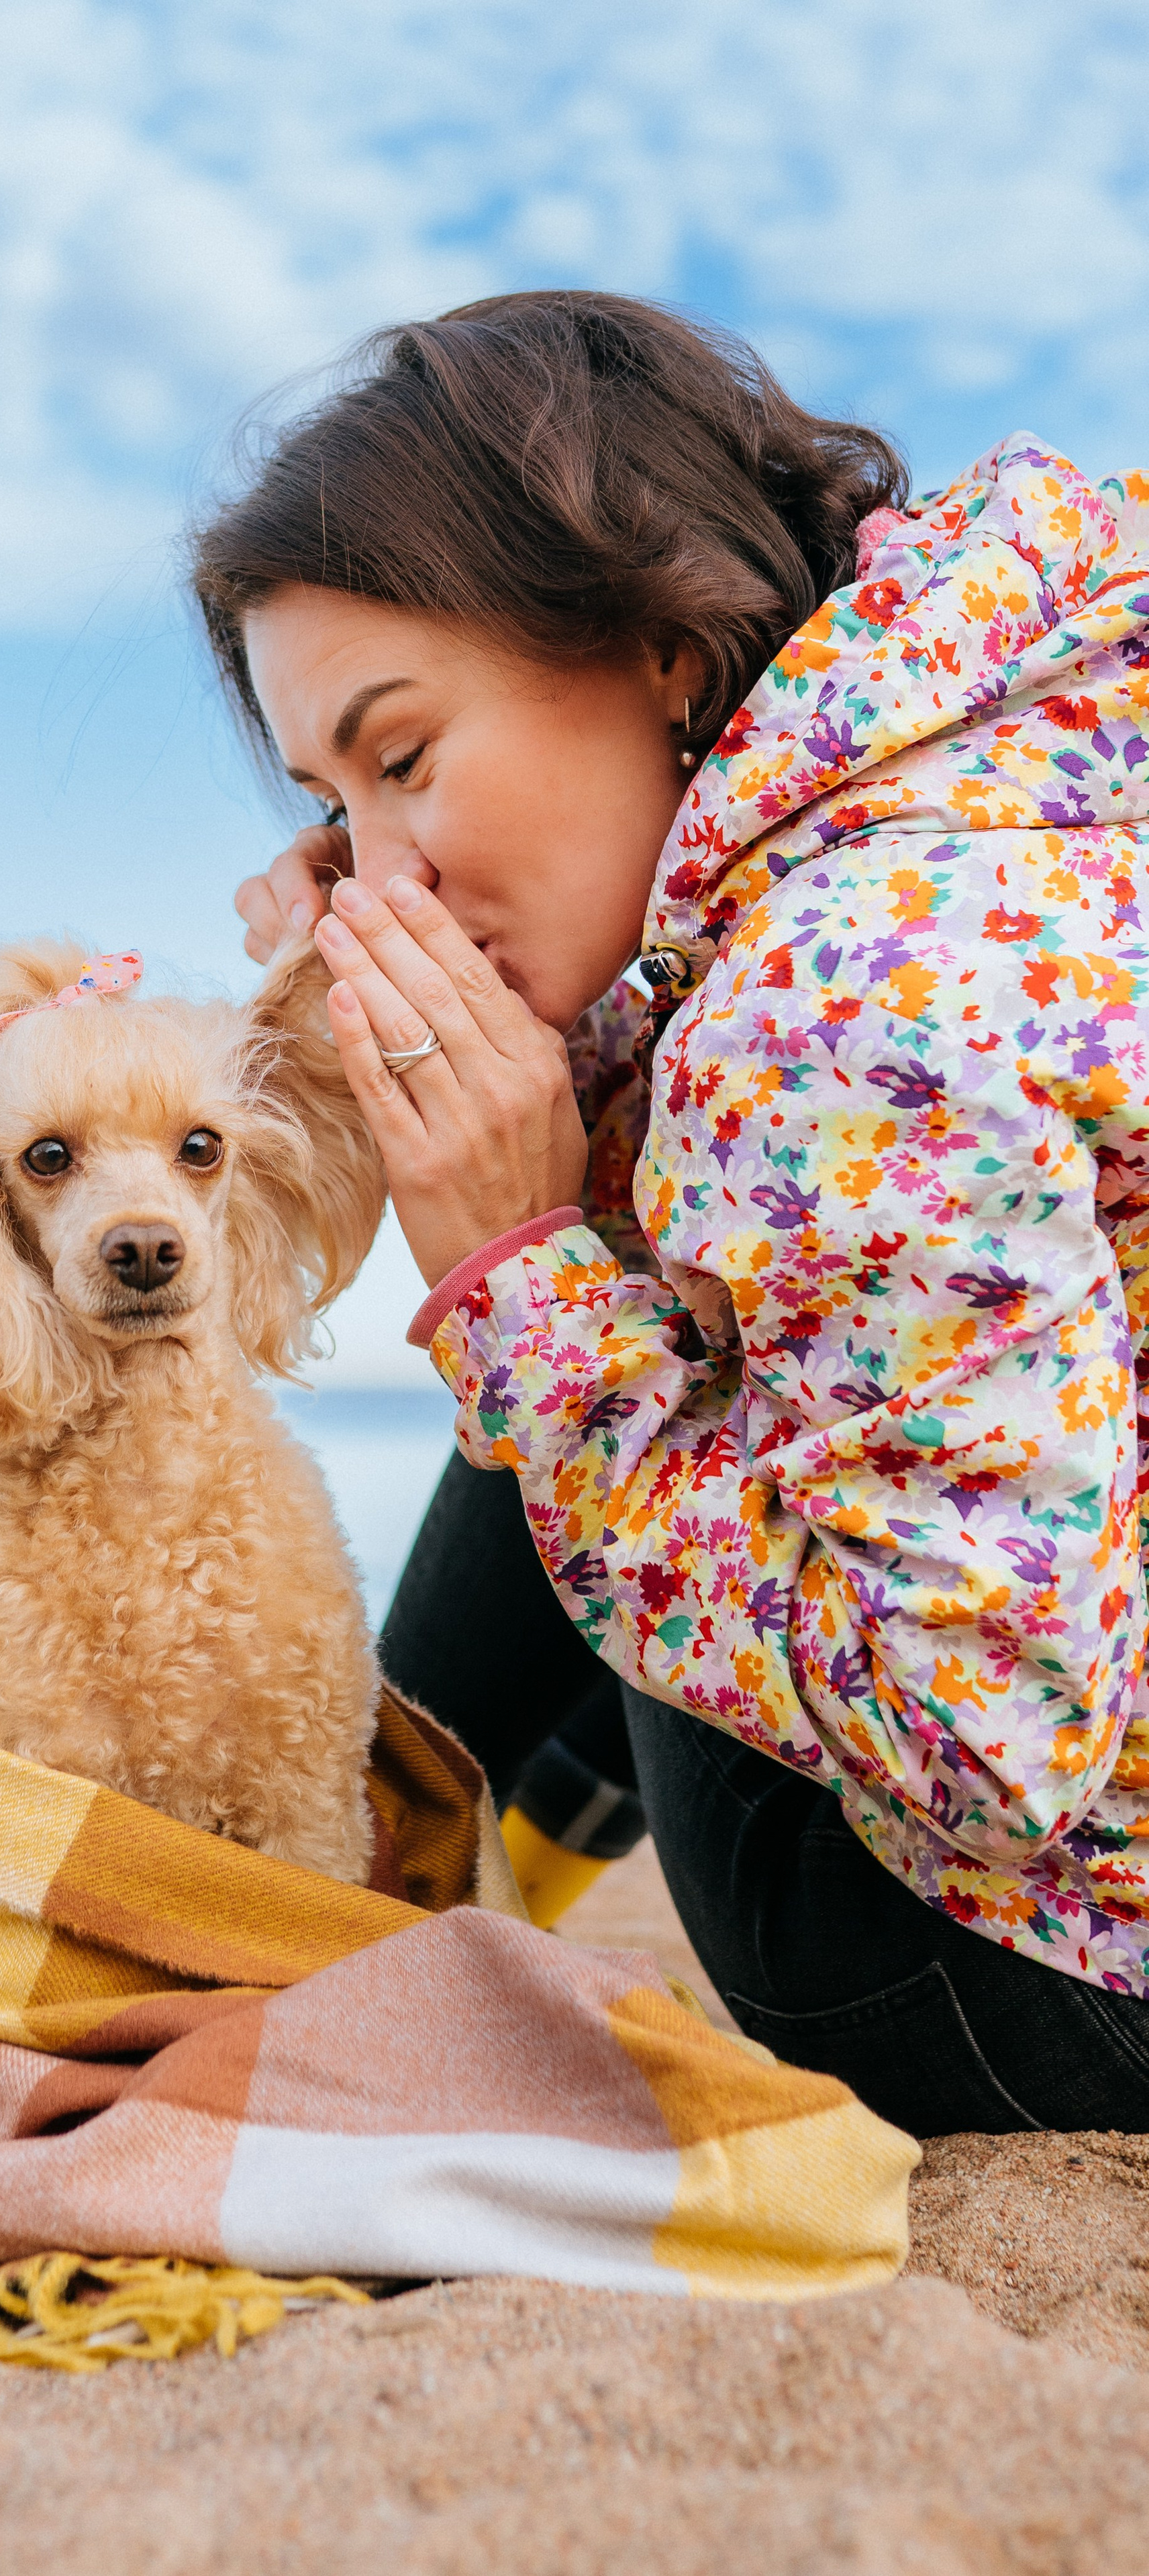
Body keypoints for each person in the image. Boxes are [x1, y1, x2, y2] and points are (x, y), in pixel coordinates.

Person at [189, 289, 1149, 2136]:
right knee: (581, 1225)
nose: (380, 875)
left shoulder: (831, 1001)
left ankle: (353, 1898)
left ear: (656, 642)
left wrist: (513, 1273)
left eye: (402, 758)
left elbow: (981, 1744)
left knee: (562, 1277)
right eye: (329, 811)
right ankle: (417, 1865)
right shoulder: (1007, 740)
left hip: (1040, 1977)